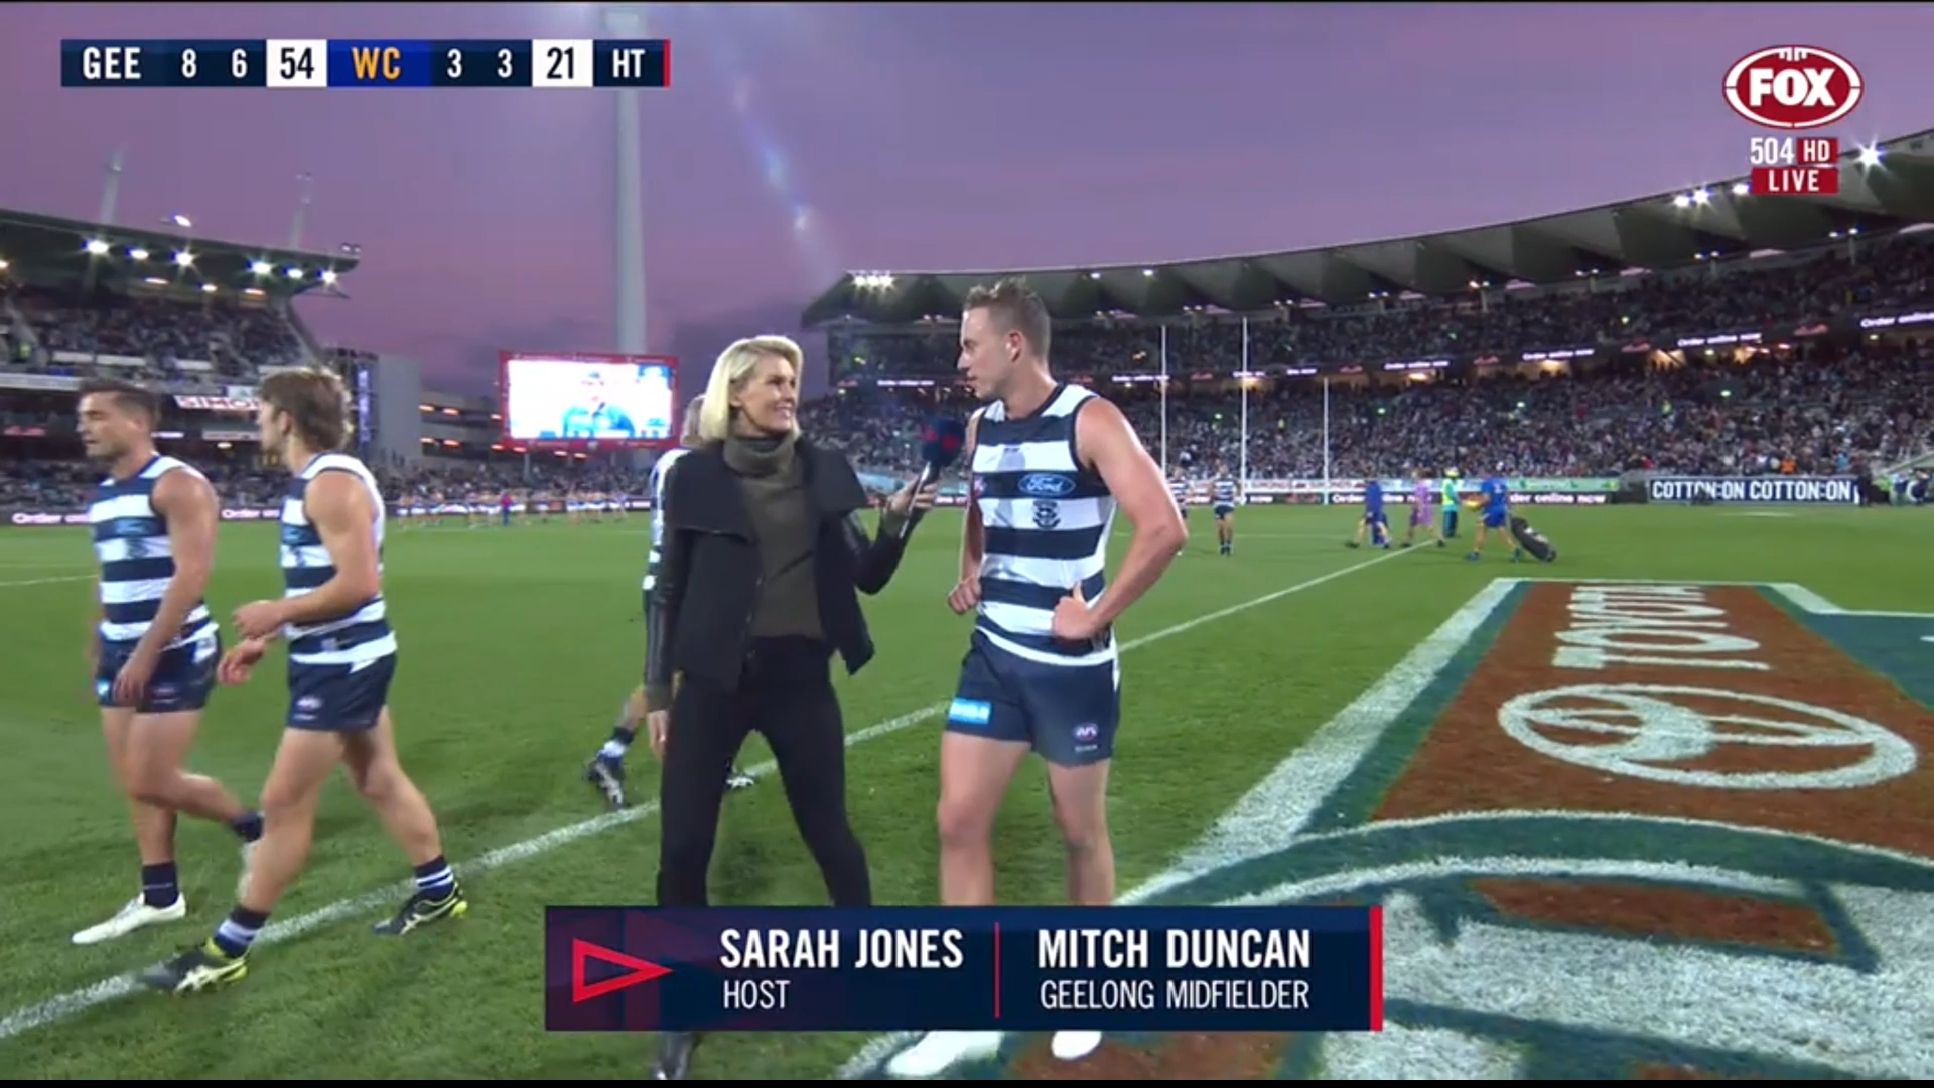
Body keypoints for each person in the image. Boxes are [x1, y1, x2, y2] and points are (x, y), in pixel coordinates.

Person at [885, 280, 1186, 1078]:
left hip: (1070, 673)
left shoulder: (1092, 419)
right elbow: (979, 507)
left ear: (1014, 344)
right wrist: (971, 568)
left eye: (970, 344)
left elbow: (1165, 527)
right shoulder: (980, 428)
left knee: (1078, 831)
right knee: (958, 820)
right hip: (994, 657)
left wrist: (1098, 615)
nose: (961, 360)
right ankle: (965, 1013)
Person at [643, 335, 934, 1079]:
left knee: (830, 833)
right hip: (713, 682)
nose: (787, 392)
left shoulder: (823, 468)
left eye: (792, 380)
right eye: (773, 380)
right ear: (735, 393)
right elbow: (667, 588)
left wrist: (897, 523)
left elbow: (866, 575)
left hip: (800, 678)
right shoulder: (695, 476)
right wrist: (658, 691)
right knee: (683, 847)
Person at [138, 368, 467, 996]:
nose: (256, 421)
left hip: (343, 665)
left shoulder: (331, 484)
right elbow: (328, 583)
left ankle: (227, 948)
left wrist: (277, 612)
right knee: (377, 778)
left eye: (261, 410)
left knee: (284, 807)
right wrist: (270, 637)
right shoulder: (317, 480)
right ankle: (438, 891)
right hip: (340, 656)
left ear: (286, 418)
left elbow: (359, 584)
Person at [72, 378, 264, 946]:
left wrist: (144, 653)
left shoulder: (178, 484)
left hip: (175, 649)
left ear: (138, 422)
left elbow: (192, 575)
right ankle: (160, 897)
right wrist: (99, 638)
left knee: (150, 776)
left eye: (97, 416)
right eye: (83, 417)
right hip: (121, 647)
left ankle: (255, 829)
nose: (84, 426)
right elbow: (110, 574)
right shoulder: (106, 494)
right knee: (135, 782)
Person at [584, 393, 754, 810]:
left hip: (686, 577)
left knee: (695, 674)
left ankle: (694, 760)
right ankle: (613, 755)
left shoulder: (679, 463)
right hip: (678, 581)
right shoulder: (685, 465)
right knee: (676, 676)